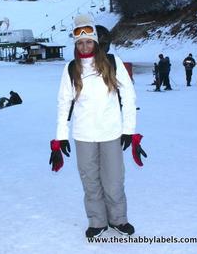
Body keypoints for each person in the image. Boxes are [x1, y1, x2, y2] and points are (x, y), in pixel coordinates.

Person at [51, 14, 141, 238]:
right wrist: (61, 137)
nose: (84, 46)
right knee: (90, 182)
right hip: (83, 135)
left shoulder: (113, 63)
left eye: (88, 41)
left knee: (113, 181)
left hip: (111, 132)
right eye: (80, 42)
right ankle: (97, 221)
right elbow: (64, 103)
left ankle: (118, 219)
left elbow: (129, 96)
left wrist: (129, 130)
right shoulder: (71, 68)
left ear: (96, 42)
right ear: (76, 44)